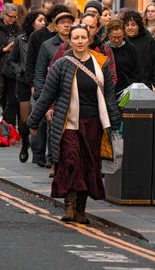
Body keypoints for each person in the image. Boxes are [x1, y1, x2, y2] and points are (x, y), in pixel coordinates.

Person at [28, 23, 121, 223]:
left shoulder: (101, 63)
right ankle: (69, 207)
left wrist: (115, 122)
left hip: (94, 123)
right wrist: (33, 121)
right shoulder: (61, 64)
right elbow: (46, 96)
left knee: (89, 165)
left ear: (90, 40)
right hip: (68, 123)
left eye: (83, 37)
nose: (79, 41)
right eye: (76, 38)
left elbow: (109, 96)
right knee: (71, 162)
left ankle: (81, 210)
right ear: (69, 41)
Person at [25, 4, 71, 167]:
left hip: (68, 92)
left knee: (58, 127)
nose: (66, 25)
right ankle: (41, 156)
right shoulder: (46, 43)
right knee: (44, 121)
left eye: (69, 21)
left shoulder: (77, 42)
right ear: (55, 24)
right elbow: (37, 68)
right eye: (62, 21)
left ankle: (54, 160)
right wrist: (37, 89)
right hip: (48, 89)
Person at [12, 9, 45, 163]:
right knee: (25, 120)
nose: (43, 23)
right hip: (24, 83)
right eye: (40, 20)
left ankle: (38, 152)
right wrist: (21, 70)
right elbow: (12, 60)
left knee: (40, 117)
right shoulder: (21, 39)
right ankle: (25, 144)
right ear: (32, 22)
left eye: (44, 20)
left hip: (41, 82)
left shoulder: (45, 39)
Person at [122, 11, 155, 89]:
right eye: (127, 25)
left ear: (139, 26)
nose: (130, 28)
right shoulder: (121, 41)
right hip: (124, 87)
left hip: (145, 85)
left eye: (133, 25)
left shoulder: (148, 40)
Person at [106, 18, 143, 92]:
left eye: (119, 37)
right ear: (109, 35)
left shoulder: (131, 49)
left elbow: (138, 72)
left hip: (127, 90)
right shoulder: (103, 49)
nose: (117, 40)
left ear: (124, 34)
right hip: (108, 90)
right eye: (114, 37)